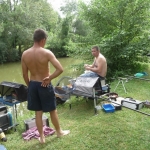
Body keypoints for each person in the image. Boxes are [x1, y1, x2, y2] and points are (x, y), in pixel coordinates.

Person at [21, 29, 70, 144]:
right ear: (43, 40)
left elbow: (24, 74)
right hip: (44, 84)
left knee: (38, 112)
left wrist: (30, 85)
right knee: (52, 110)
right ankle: (59, 132)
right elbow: (60, 69)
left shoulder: (25, 54)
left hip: (33, 84)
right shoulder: (47, 52)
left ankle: (42, 138)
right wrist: (50, 78)